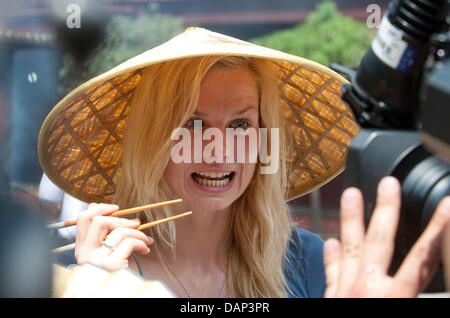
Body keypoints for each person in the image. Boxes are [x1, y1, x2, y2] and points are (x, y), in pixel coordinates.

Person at [38, 27, 450, 298]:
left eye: (240, 124)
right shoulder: (81, 273)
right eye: (193, 124)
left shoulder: (311, 265)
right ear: (152, 139)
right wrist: (95, 286)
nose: (219, 149)